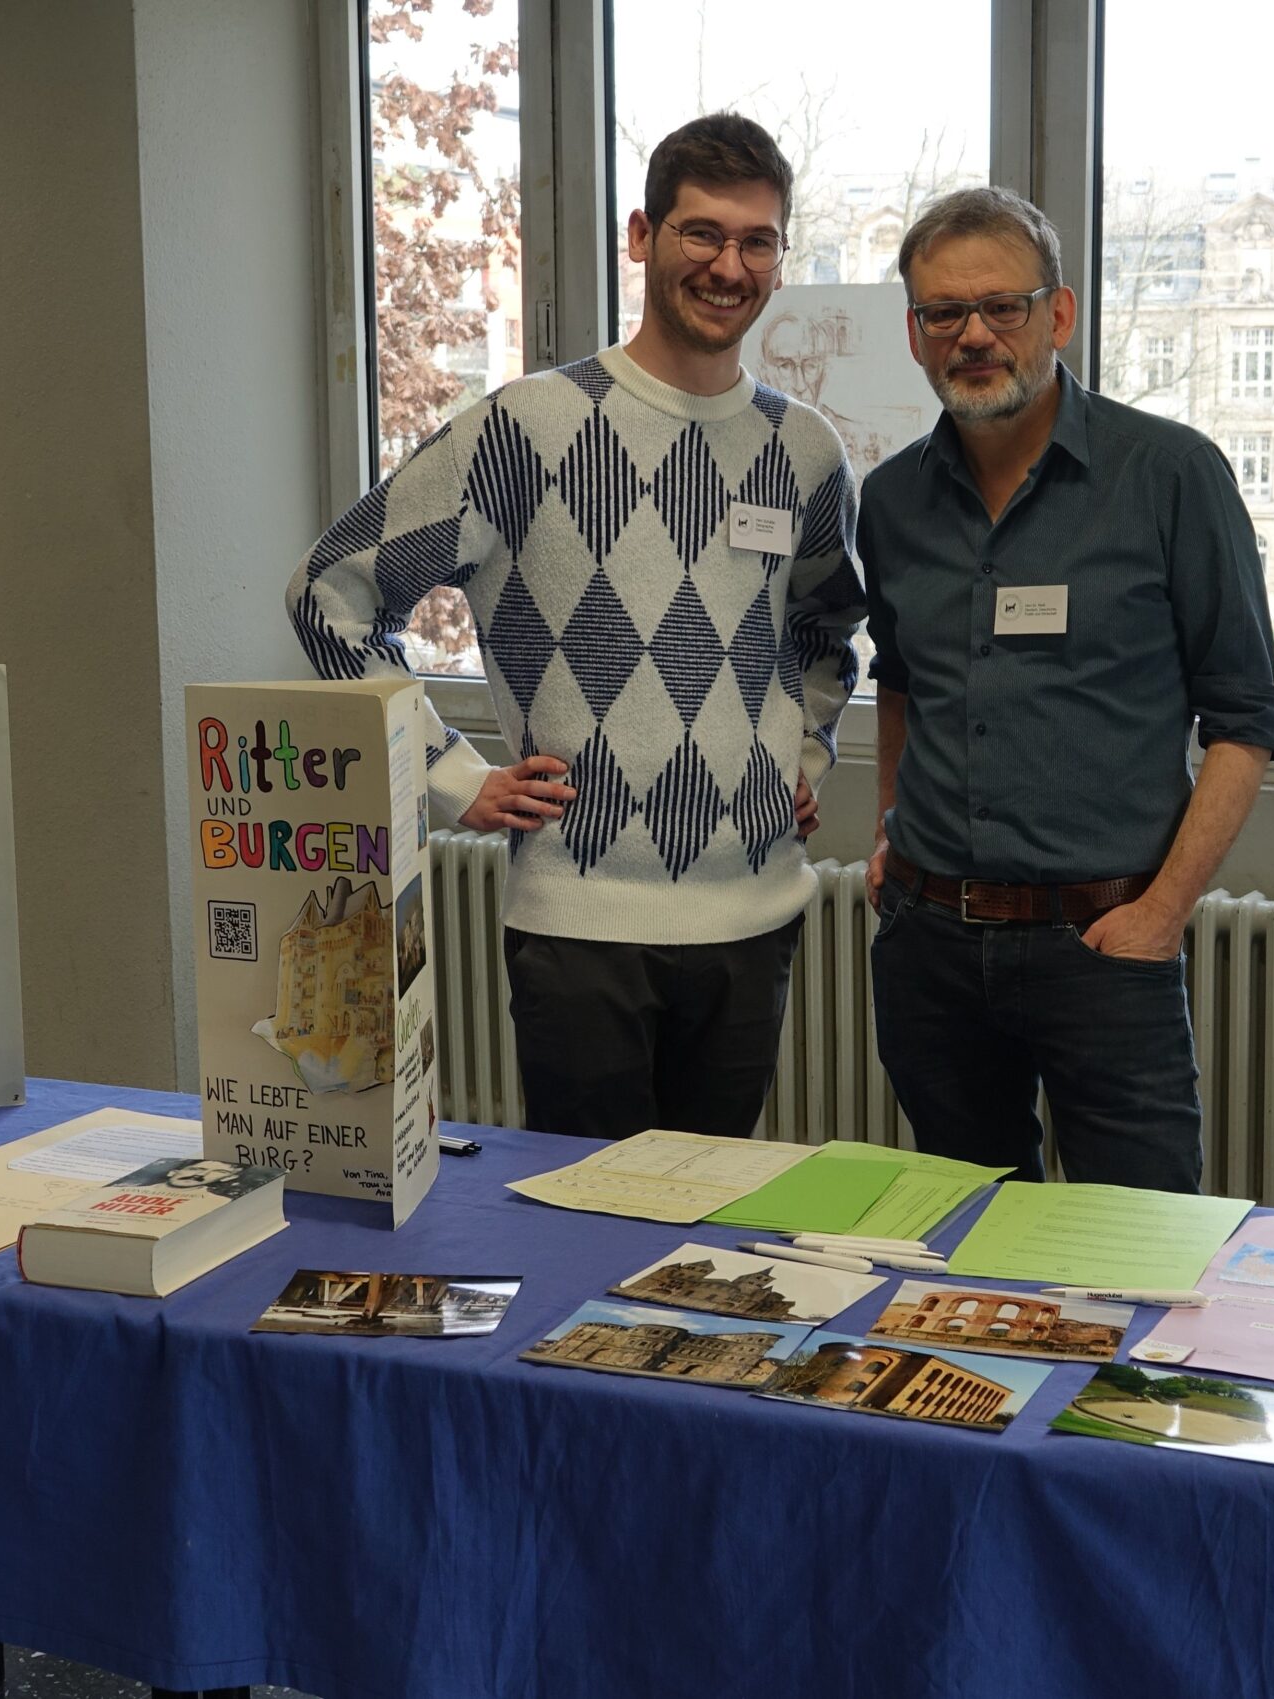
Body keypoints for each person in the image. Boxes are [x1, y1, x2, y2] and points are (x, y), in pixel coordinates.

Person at [287, 113, 865, 1143]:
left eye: (757, 241)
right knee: (586, 1220)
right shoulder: (526, 428)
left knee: (706, 1218)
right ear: (641, 235)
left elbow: (825, 629)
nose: (729, 265)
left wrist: (801, 751)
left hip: (754, 916)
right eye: (701, 233)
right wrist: (447, 775)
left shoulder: (806, 449)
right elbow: (329, 593)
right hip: (580, 927)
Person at [858, 187, 1274, 1193]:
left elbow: (1243, 722)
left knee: (1136, 1243)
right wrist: (887, 833)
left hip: (1105, 946)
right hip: (931, 949)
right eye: (943, 313)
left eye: (1001, 306)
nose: (973, 335)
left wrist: (1163, 914)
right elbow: (902, 683)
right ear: (914, 335)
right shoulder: (892, 499)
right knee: (963, 1239)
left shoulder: (1170, 475)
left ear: (1057, 314)